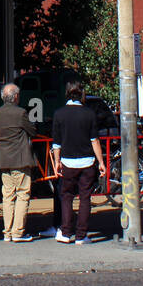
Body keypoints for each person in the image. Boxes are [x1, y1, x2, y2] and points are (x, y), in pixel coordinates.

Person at [51, 80, 106, 245]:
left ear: (67, 93)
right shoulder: (88, 113)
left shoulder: (59, 114)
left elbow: (56, 143)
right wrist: (101, 162)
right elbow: (94, 140)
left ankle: (66, 232)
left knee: (66, 197)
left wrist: (56, 162)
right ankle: (81, 235)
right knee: (85, 198)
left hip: (67, 161)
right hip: (87, 161)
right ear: (81, 94)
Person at [0, 82, 37, 243]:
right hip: (20, 159)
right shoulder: (21, 113)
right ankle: (18, 232)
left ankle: (7, 232)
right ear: (16, 96)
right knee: (23, 194)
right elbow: (32, 130)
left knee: (8, 196)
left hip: (4, 159)